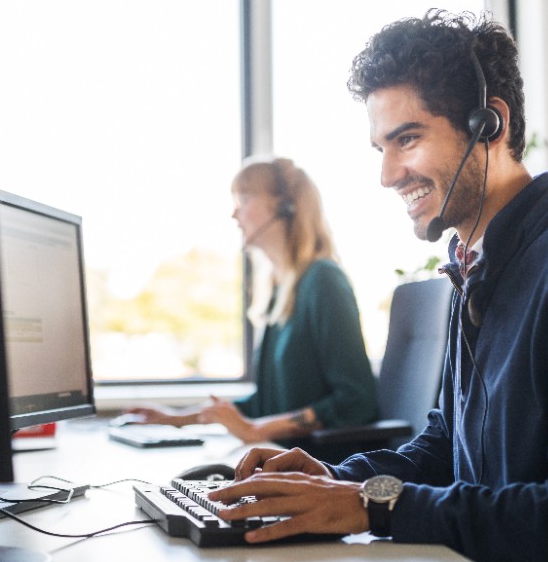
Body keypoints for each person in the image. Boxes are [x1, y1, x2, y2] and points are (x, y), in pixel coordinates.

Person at [206, 11, 548, 562]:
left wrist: (369, 507)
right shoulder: (478, 264)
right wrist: (339, 479)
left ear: (491, 123)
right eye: (382, 148)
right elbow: (445, 448)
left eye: (407, 139)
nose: (386, 175)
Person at [127, 157, 379, 459]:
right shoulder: (281, 290)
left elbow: (356, 399)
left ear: (285, 207)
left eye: (244, 200)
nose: (235, 213)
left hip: (321, 467)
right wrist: (176, 419)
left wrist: (257, 431)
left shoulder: (323, 281)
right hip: (278, 457)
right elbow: (267, 403)